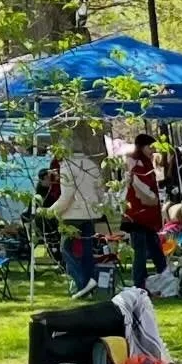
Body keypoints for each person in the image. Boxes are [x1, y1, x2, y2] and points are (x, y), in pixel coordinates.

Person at [52, 122, 108, 296]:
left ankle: (83, 283)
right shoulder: (91, 164)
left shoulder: (67, 166)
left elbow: (66, 195)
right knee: (87, 250)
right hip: (91, 212)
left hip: (73, 215)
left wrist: (51, 211)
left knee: (66, 249)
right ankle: (90, 283)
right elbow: (100, 190)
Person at [122, 131, 167, 288]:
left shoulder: (144, 162)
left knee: (154, 247)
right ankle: (139, 283)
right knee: (141, 251)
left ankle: (163, 275)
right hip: (138, 214)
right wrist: (153, 198)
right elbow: (140, 186)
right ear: (142, 147)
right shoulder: (137, 164)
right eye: (150, 147)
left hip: (145, 215)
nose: (153, 150)